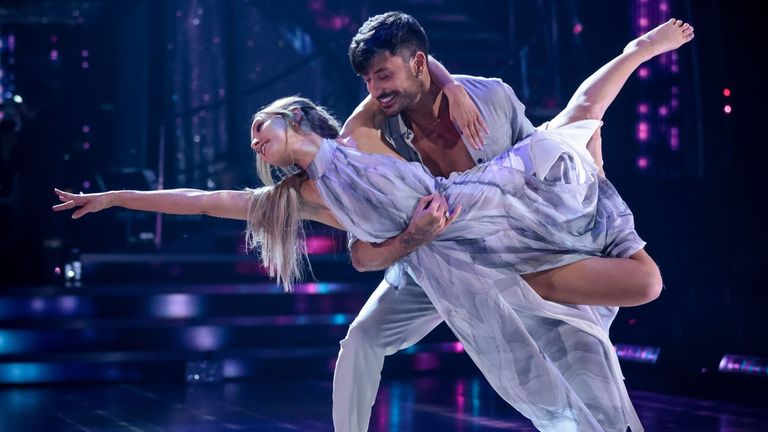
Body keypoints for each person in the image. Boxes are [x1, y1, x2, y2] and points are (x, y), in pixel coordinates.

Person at [54, 19, 694, 431]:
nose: (254, 137)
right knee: (361, 342)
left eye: (263, 124)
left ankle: (632, 66)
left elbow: (412, 79)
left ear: (298, 121)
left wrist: (452, 83)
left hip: (478, 228)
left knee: (578, 137)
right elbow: (208, 200)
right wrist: (116, 198)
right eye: (368, 81)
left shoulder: (411, 119)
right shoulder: (322, 172)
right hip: (421, 261)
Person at [332, 11, 665, 432]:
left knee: (578, 365)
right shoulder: (379, 135)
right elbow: (360, 246)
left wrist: (586, 172)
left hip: (513, 261)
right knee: (362, 339)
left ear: (418, 62)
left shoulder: (490, 98)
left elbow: (537, 162)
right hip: (432, 265)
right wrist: (412, 237)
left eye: (383, 75)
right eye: (368, 81)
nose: (376, 90)